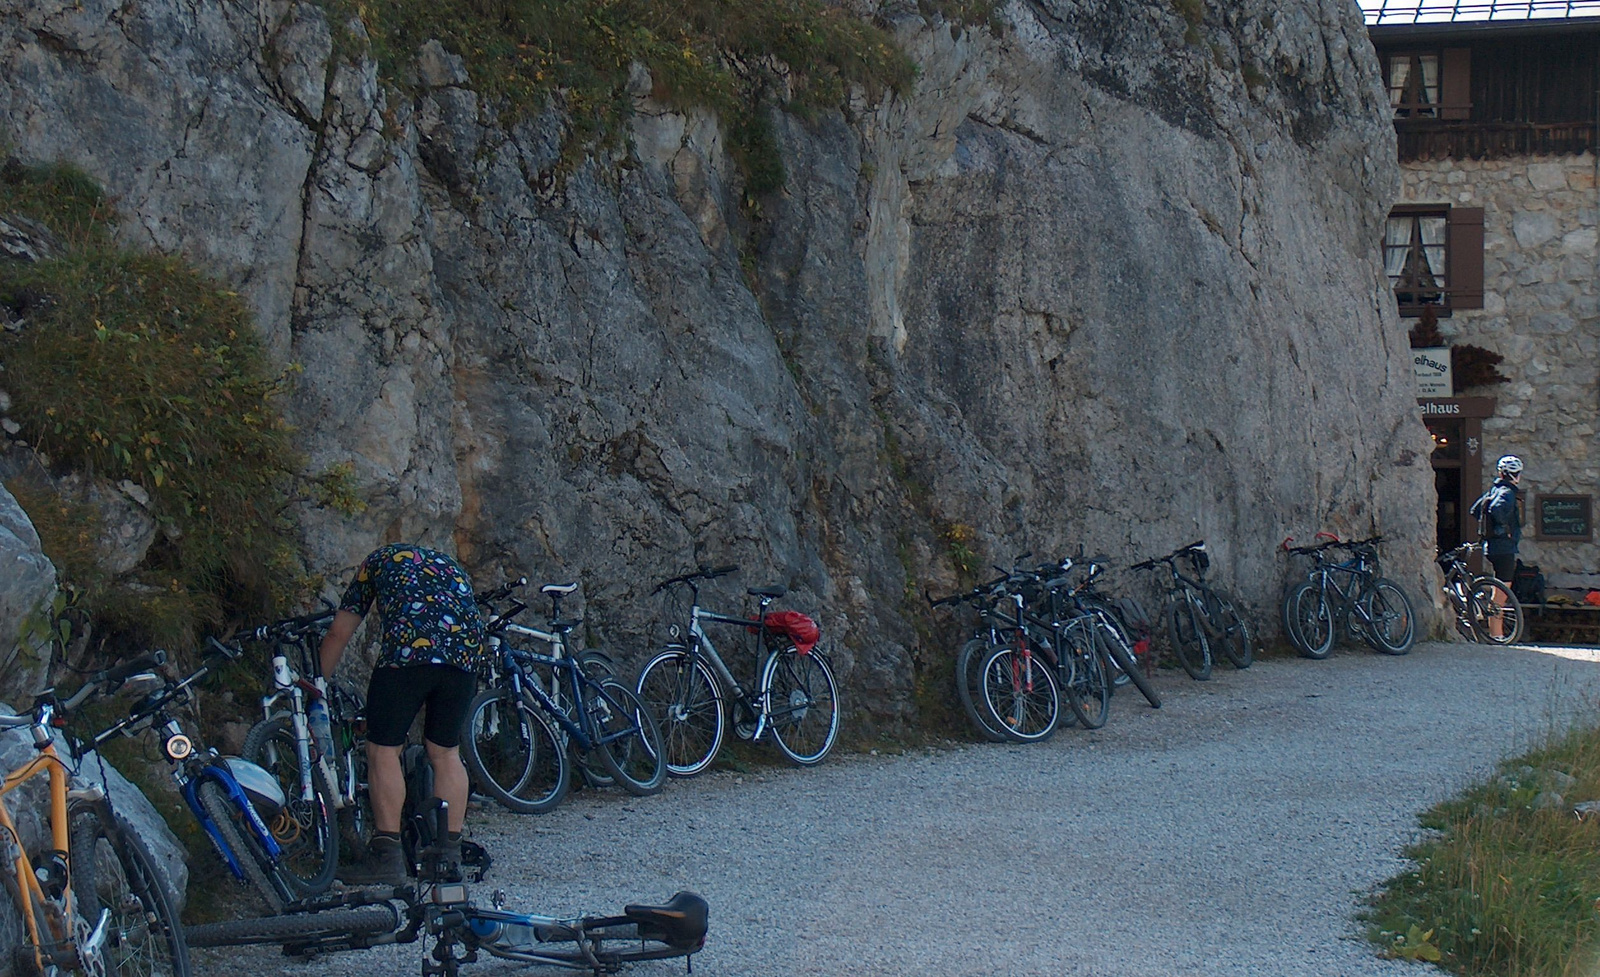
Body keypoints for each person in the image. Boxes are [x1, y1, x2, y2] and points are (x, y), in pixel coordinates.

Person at [319, 543, 487, 884]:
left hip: (409, 654)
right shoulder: (449, 565)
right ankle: (447, 858)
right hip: (465, 658)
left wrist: (315, 682)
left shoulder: (375, 563)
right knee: (445, 752)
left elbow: (339, 631)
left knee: (383, 749)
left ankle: (387, 857)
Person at [1469, 455, 1525, 639]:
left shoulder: (1494, 490)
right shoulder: (1507, 493)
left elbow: (1475, 510)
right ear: (1515, 475)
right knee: (1501, 595)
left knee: (1497, 592)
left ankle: (1495, 632)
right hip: (1504, 548)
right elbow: (1497, 510)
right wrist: (1504, 529)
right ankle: (1497, 635)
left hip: (1492, 547)